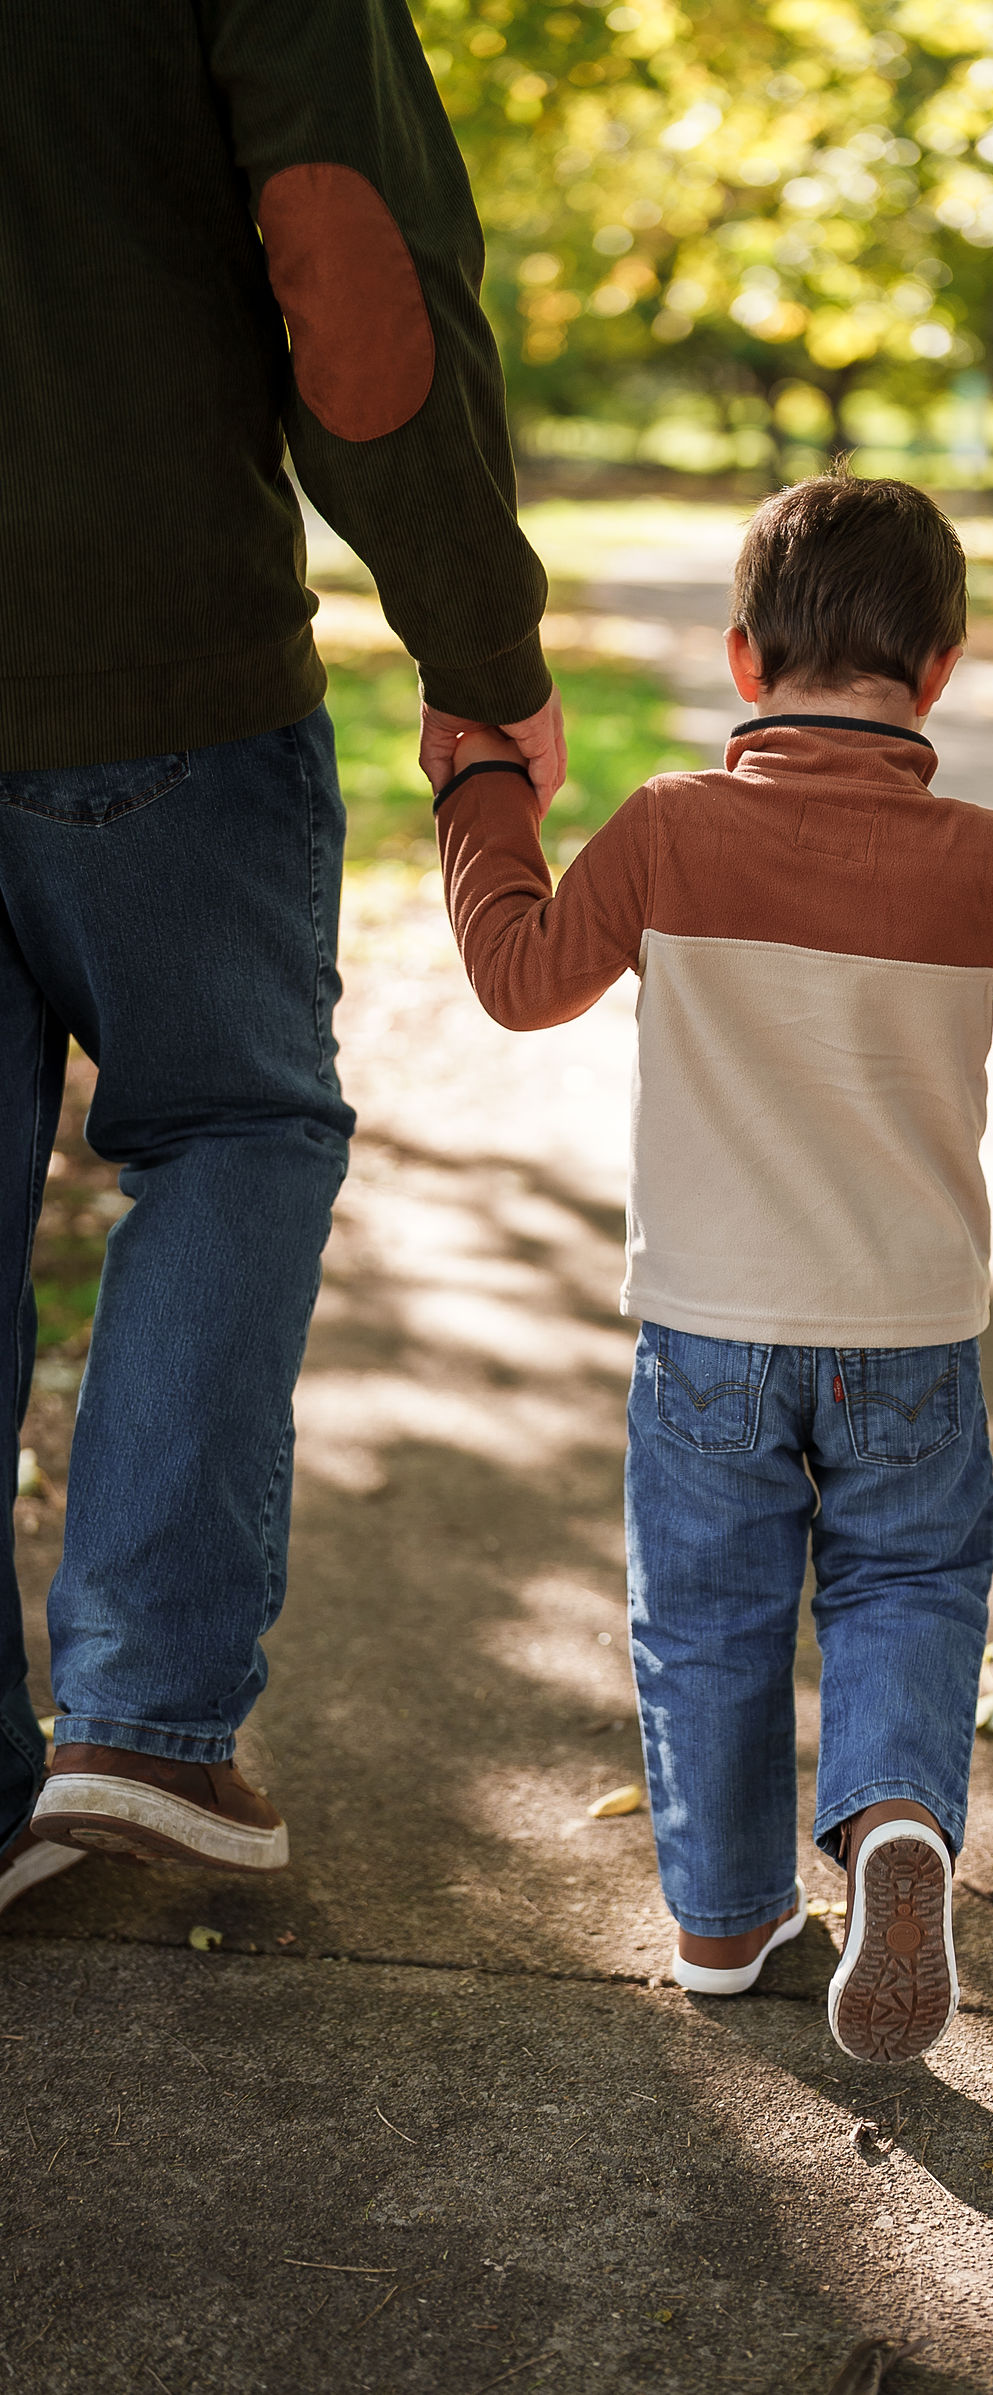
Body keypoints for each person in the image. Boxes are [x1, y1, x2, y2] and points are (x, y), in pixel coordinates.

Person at [430, 470, 993, 2061]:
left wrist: (487, 796)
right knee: (909, 1586)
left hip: (709, 1335)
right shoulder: (987, 860)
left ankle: (726, 1925)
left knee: (708, 1617)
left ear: (743, 660)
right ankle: (895, 1826)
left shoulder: (665, 830)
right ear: (940, 672)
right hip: (910, 1332)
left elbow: (519, 982)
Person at [2, 0, 561, 1908]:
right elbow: (347, 256)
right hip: (148, 658)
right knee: (232, 1126)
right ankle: (142, 1738)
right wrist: (484, 657)